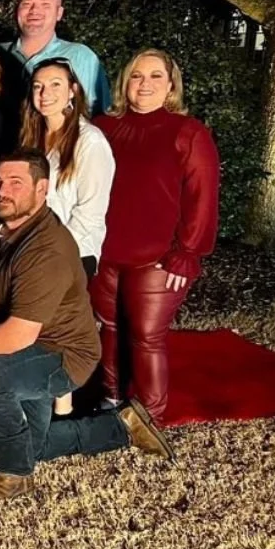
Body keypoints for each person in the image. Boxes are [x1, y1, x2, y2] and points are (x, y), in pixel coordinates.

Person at [0, 150, 174, 504]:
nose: (2, 191)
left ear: (42, 190)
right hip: (19, 345)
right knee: (31, 443)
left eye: (16, 183)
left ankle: (13, 474)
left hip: (60, 353)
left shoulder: (47, 248)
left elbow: (18, 335)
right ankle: (120, 426)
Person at [92, 49, 220, 422]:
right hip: (105, 249)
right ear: (124, 83)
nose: (144, 84)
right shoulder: (102, 127)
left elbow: (202, 195)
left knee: (147, 335)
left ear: (171, 86)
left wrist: (188, 251)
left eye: (155, 77)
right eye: (136, 76)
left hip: (158, 256)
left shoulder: (188, 132)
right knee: (110, 327)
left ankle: (150, 417)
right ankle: (111, 400)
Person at [19, 59, 115, 279]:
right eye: (37, 86)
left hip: (72, 254)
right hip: (30, 250)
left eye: (55, 84)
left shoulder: (90, 141)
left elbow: (90, 212)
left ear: (72, 90)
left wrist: (52, 249)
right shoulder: (30, 138)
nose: (45, 93)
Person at [1, 0, 112, 116]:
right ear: (16, 11)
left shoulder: (80, 57)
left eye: (45, 4)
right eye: (27, 4)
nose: (34, 10)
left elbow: (100, 116)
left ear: (59, 13)